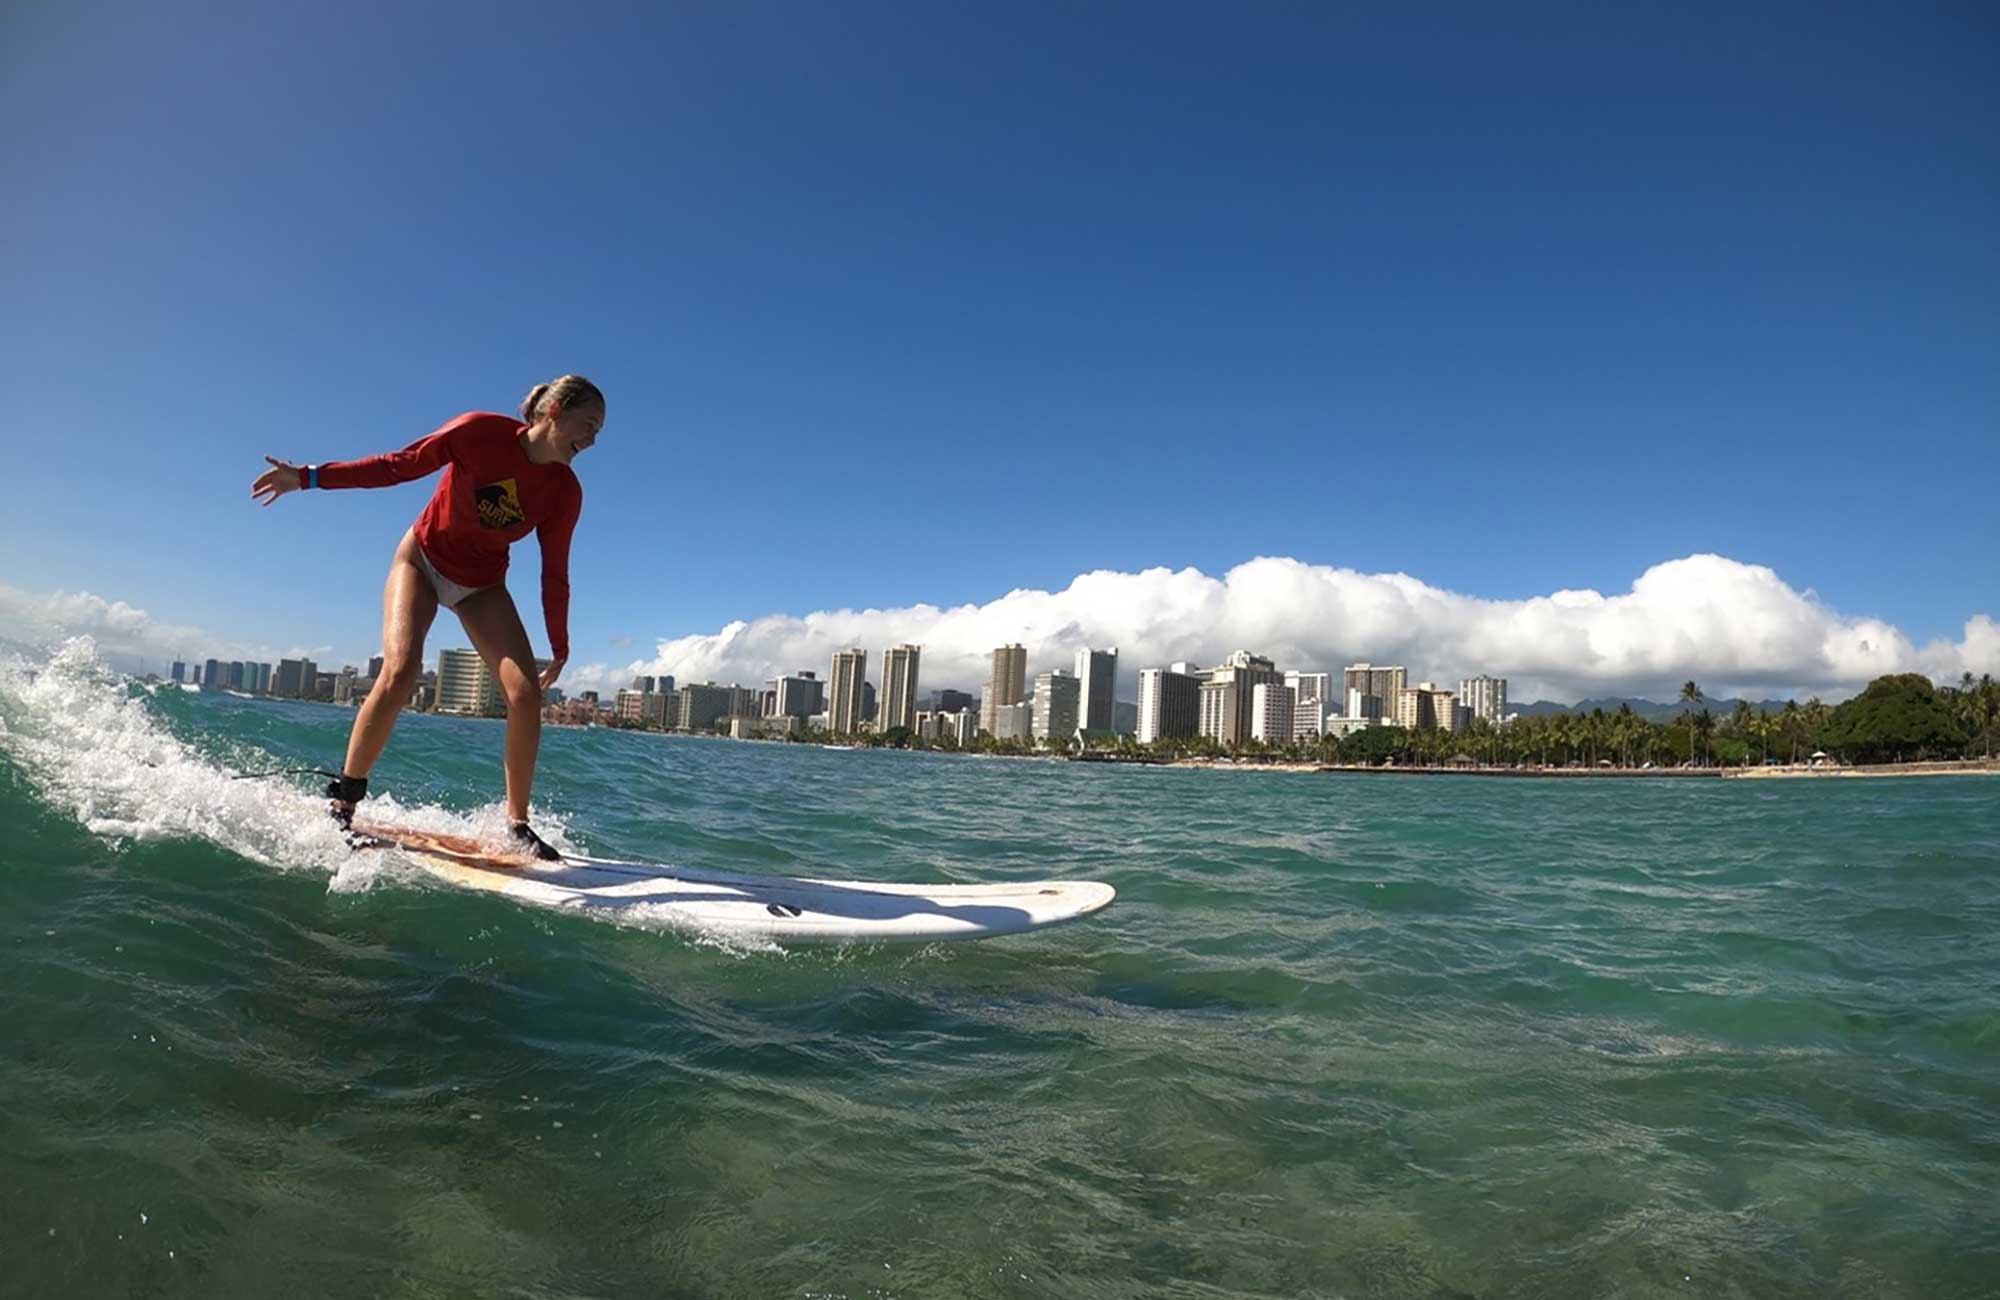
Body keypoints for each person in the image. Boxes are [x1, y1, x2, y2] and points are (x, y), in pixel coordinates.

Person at [250, 375, 603, 860]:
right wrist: (309, 477)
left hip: (482, 585)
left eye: (598, 432)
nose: (591, 440)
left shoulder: (565, 492)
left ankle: (517, 825)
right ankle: (344, 801)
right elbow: (397, 466)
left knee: (525, 696)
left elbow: (554, 574)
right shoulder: (478, 433)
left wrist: (560, 646)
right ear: (555, 411)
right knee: (400, 671)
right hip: (420, 561)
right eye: (587, 425)